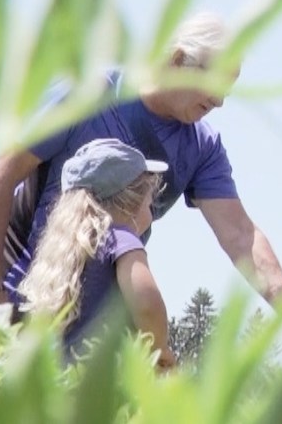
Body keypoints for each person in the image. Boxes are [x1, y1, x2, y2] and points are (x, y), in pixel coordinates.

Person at [0, 12, 282, 337]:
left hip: (102, 322)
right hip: (30, 300)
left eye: (226, 92)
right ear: (177, 60)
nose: (218, 102)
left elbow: (241, 234)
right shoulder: (89, 95)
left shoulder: (202, 147)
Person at [18, 138, 175, 367]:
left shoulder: (66, 259)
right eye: (150, 203)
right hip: (106, 380)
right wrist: (160, 351)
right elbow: (147, 303)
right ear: (129, 202)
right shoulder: (121, 238)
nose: (151, 214)